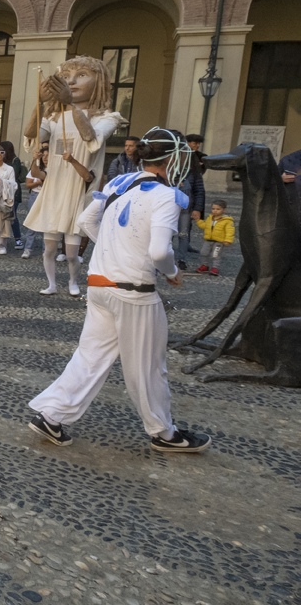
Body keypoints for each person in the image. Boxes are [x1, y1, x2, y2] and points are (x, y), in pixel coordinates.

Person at [28, 127, 210, 453]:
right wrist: (172, 272)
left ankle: (52, 414)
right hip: (133, 291)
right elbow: (159, 252)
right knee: (148, 366)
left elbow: (86, 221)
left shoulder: (118, 182)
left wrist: (114, 248)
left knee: (90, 357)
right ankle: (164, 433)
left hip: (99, 283)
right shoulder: (166, 195)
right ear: (171, 159)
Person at [23, 56, 126, 297]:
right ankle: (50, 283)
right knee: (48, 249)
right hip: (54, 190)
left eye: (81, 75)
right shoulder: (54, 117)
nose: (71, 80)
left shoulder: (107, 117)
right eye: (66, 76)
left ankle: (72, 281)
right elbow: (32, 133)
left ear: (99, 81)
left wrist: (71, 105)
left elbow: (91, 138)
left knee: (71, 253)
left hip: (79, 191)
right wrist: (39, 103)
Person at [178, 133, 207, 264]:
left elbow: (199, 188)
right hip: (171, 205)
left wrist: (197, 208)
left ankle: (180, 259)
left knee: (184, 232)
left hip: (187, 206)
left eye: (198, 143)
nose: (197, 146)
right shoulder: (172, 166)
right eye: (194, 143)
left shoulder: (196, 163)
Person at [22, 143, 49, 259]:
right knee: (32, 222)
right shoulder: (36, 167)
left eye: (48, 156)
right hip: (35, 195)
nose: (46, 158)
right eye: (44, 155)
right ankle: (28, 248)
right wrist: (37, 183)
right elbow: (28, 184)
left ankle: (46, 251)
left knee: (46, 224)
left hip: (48, 197)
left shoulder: (55, 170)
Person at [194, 200, 234, 276]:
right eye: (213, 209)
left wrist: (228, 240)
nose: (215, 211)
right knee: (203, 253)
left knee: (215, 255)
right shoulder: (210, 218)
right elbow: (205, 226)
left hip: (219, 241)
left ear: (224, 210)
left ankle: (215, 267)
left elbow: (230, 231)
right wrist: (198, 221)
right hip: (208, 240)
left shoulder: (227, 221)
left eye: (218, 209)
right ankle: (204, 265)